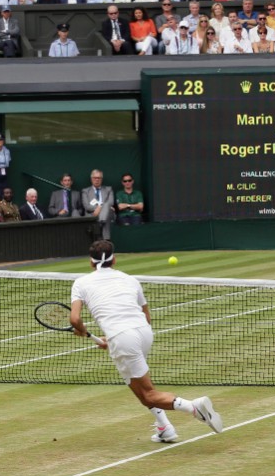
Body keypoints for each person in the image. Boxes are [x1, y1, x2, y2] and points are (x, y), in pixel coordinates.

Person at [70, 240, 223, 443]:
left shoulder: (81, 283)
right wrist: (113, 338)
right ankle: (164, 427)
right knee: (137, 386)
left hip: (123, 337)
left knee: (148, 394)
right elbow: (145, 315)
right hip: (143, 332)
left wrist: (82, 331)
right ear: (114, 259)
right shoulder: (130, 279)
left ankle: (193, 407)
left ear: (91, 262)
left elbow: (75, 319)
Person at [81, 169, 115, 239]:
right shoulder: (85, 191)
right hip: (92, 213)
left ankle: (100, 223)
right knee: (106, 209)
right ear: (91, 179)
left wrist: (100, 208)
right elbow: (87, 206)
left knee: (107, 206)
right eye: (95, 178)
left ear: (101, 179)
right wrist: (99, 208)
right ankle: (106, 240)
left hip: (106, 213)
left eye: (99, 178)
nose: (97, 180)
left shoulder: (108, 189)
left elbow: (111, 202)